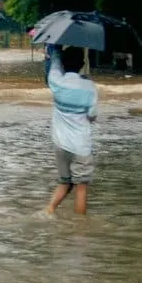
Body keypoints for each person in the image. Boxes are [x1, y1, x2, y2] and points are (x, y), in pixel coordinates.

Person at [45, 46, 98, 215]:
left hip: (60, 144)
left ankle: (48, 211)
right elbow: (92, 116)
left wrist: (56, 49)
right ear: (82, 63)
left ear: (63, 63)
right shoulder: (89, 87)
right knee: (81, 189)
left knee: (65, 183)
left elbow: (54, 62)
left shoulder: (56, 82)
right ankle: (79, 229)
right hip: (81, 145)